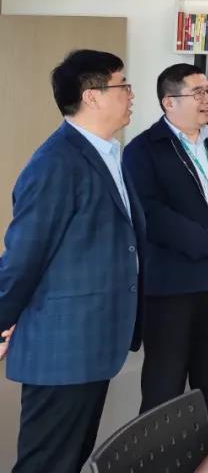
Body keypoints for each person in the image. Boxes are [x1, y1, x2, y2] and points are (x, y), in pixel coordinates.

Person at [0, 50, 144, 473]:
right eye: (123, 85)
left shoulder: (107, 153)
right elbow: (25, 254)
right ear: (92, 96)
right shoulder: (56, 162)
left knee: (71, 458)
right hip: (62, 347)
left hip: (91, 341)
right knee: (47, 463)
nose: (131, 95)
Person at [123, 63, 208, 441]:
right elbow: (151, 214)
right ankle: (157, 459)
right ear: (169, 102)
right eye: (197, 93)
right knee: (165, 387)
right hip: (171, 288)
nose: (207, 99)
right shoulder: (143, 149)